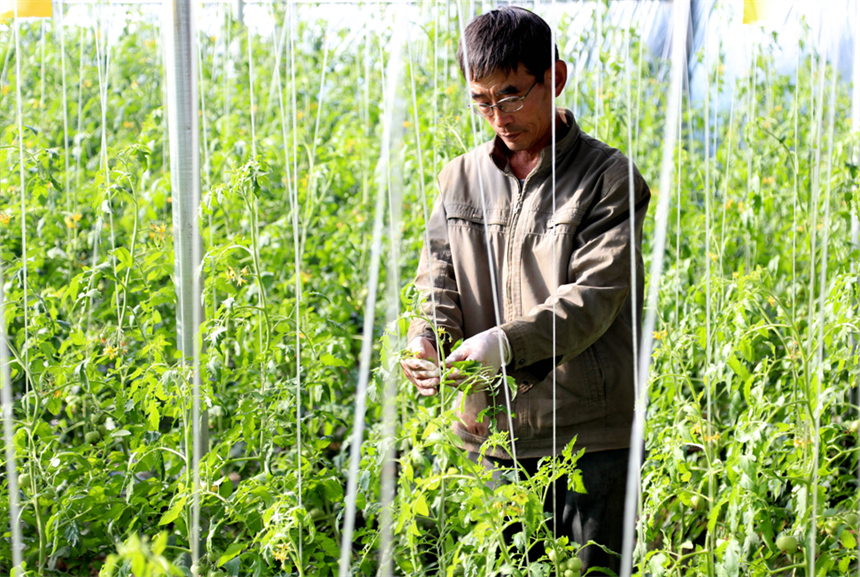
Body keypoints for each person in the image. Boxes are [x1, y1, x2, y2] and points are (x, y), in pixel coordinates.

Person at [400, 6, 650, 573]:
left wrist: (500, 345)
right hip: (492, 436)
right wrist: (426, 339)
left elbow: (594, 298)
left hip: (587, 436)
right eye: (481, 101)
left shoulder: (607, 179)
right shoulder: (459, 177)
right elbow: (437, 274)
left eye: (510, 96)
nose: (498, 116)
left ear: (554, 78)